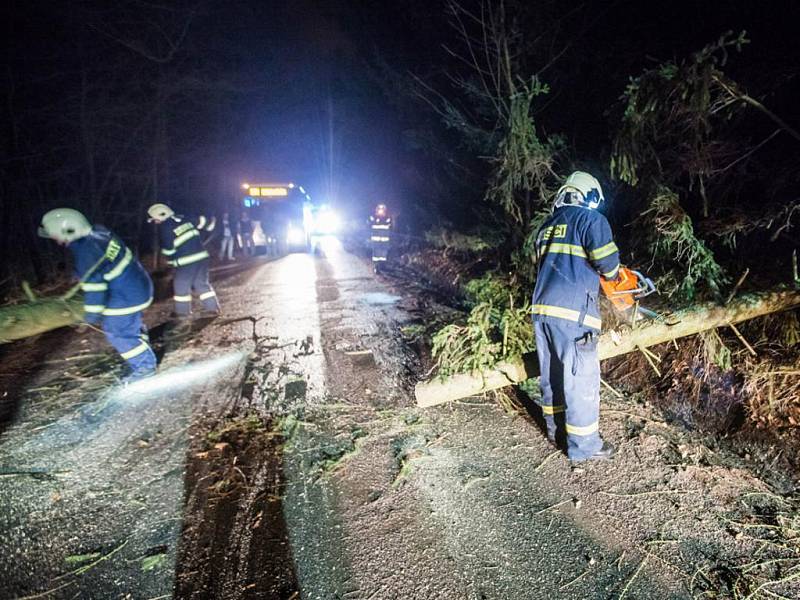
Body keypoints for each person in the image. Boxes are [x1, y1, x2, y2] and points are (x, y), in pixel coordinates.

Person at [531, 171, 620, 462]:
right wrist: (615, 276)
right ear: (589, 196)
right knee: (581, 380)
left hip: (542, 312)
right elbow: (608, 266)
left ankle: (556, 432)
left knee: (552, 376)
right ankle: (585, 447)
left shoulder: (546, 228)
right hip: (574, 315)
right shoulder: (592, 220)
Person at [38, 208, 157, 381]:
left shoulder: (85, 251)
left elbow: (96, 288)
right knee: (128, 323)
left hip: (126, 295)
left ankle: (145, 367)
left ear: (68, 231)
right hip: (140, 285)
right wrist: (81, 274)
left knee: (116, 331)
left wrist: (91, 316)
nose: (55, 240)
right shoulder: (100, 233)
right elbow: (102, 263)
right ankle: (141, 344)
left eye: (55, 235)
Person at [147, 203, 220, 317]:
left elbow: (169, 250)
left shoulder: (166, 227)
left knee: (180, 285)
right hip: (202, 257)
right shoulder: (184, 218)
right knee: (201, 283)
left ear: (160, 216)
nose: (155, 222)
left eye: (155, 219)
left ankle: (182, 312)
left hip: (186, 262)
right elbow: (204, 222)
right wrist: (211, 223)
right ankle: (212, 308)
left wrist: (171, 263)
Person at [369, 203, 392, 271]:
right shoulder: (373, 217)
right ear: (377, 210)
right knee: (376, 254)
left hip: (385, 241)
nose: (381, 210)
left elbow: (391, 226)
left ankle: (382, 265)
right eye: (380, 209)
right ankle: (376, 266)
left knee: (383, 255)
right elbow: (370, 224)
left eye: (382, 209)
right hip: (376, 240)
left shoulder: (388, 218)